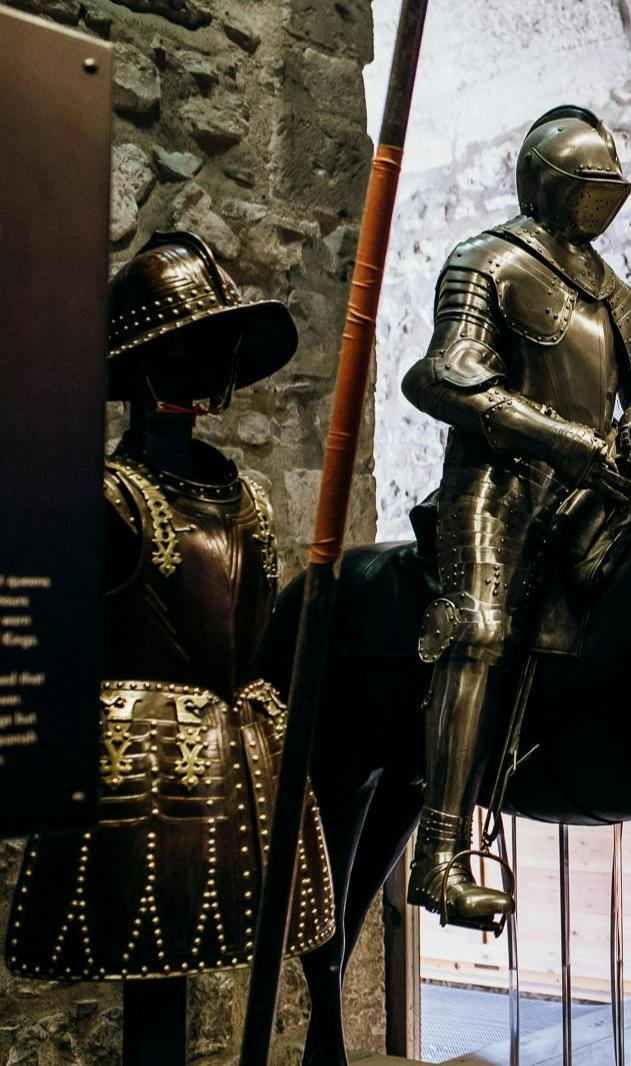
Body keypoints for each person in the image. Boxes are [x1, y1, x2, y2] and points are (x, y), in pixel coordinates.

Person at [6, 231, 335, 982]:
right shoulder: (111, 498)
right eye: (192, 345)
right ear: (146, 363)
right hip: (142, 771)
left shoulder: (245, 498)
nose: (213, 363)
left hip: (247, 763)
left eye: (219, 344)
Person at [401, 106, 631, 928]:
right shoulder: (485, 260)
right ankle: (440, 854)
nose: (601, 205)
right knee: (479, 625)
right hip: (497, 485)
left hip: (599, 493)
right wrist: (573, 443)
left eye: (609, 191)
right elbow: (447, 377)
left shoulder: (617, 295)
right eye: (586, 189)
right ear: (547, 184)